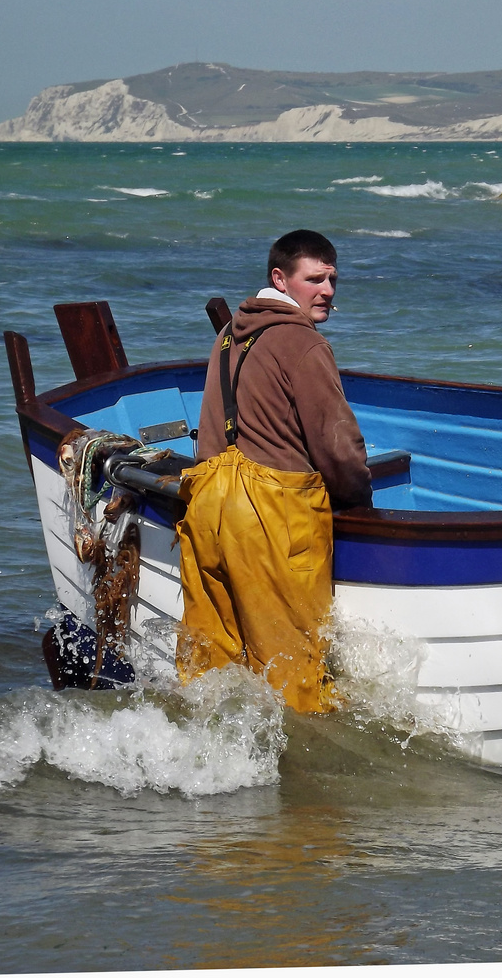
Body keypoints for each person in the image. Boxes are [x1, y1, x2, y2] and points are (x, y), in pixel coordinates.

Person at [175, 229, 372, 713]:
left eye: (331, 279)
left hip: (207, 506)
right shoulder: (303, 344)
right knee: (294, 674)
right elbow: (338, 446)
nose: (326, 290)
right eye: (314, 279)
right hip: (270, 515)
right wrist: (359, 504)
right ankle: (305, 782)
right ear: (280, 280)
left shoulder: (227, 337)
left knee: (209, 667)